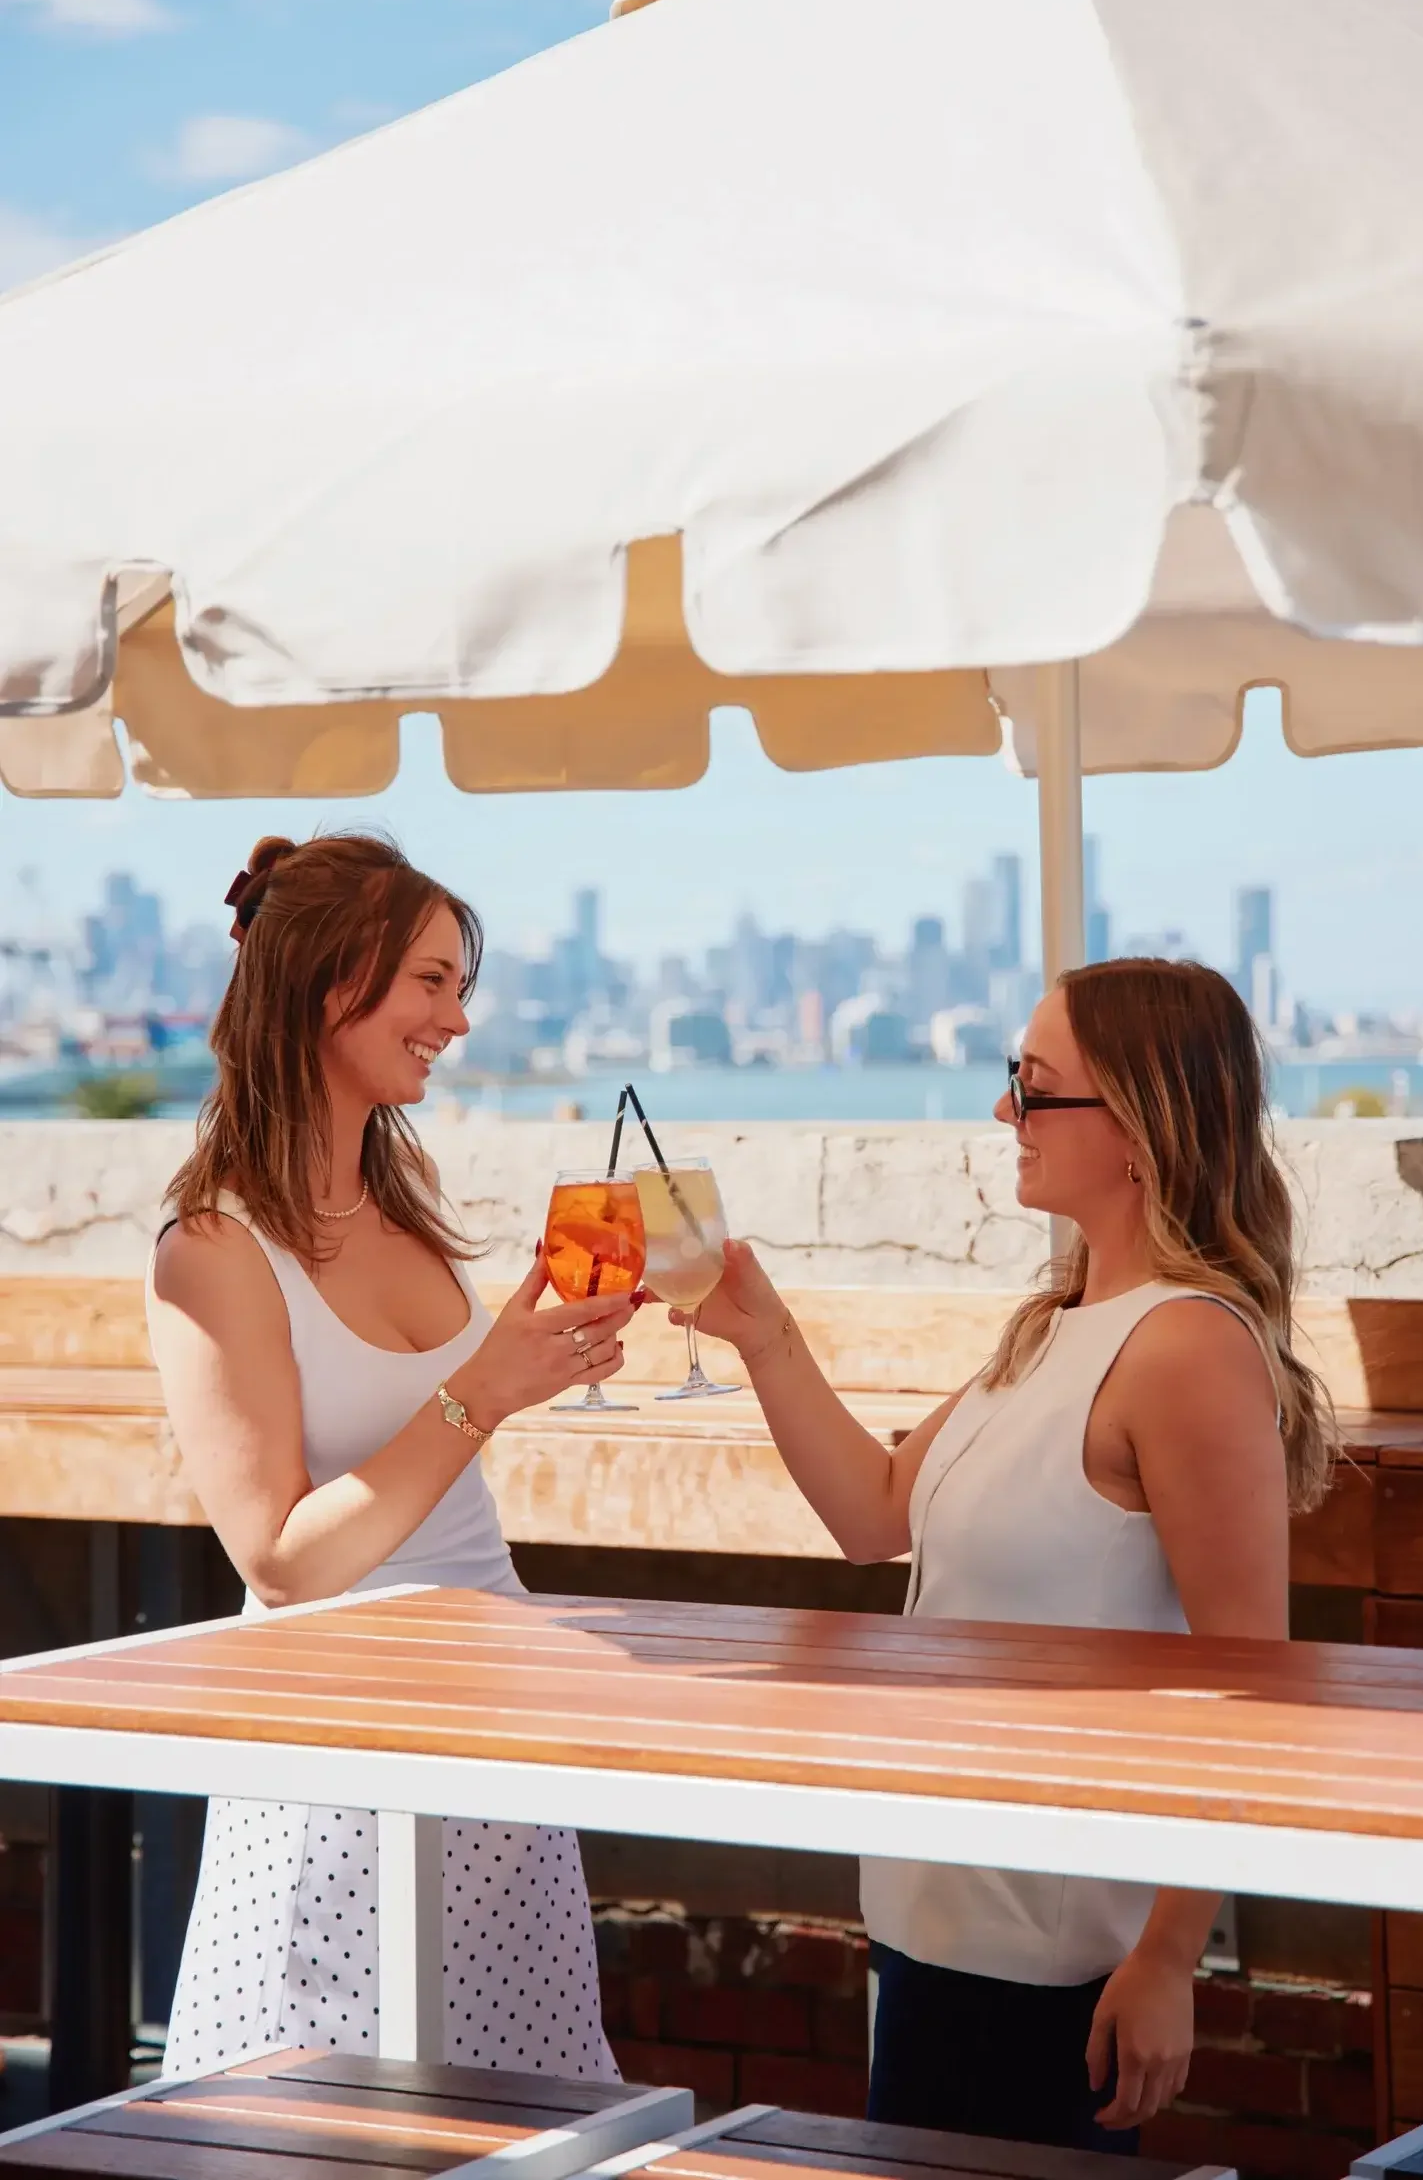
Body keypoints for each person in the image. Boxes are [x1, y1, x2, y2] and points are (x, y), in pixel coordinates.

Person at [680, 959, 1337, 2152]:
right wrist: (763, 1335)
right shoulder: (1053, 1328)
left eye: (1033, 1088)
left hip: (1056, 1961)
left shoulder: (1186, 1347)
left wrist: (1171, 1953)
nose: (1004, 1114)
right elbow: (877, 1509)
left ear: (1139, 1121)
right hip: (936, 1925)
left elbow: (1256, 1685)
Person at [148, 833, 636, 2078]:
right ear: (330, 982)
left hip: (495, 1750)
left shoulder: (402, 1206)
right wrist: (481, 1389)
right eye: (429, 981)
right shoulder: (212, 1250)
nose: (457, 1019)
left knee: (530, 2137)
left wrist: (531, 1357)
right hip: (338, 1761)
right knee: (327, 2141)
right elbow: (284, 1558)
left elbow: (445, 1456)